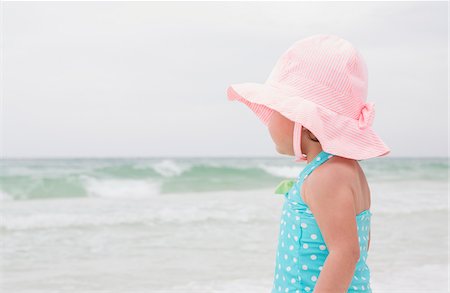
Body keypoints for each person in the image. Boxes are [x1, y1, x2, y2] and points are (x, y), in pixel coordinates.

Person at [226, 34, 391, 293]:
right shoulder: (342, 169)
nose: (268, 121)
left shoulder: (329, 175)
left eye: (275, 109)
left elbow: (347, 254)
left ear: (303, 121)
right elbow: (361, 243)